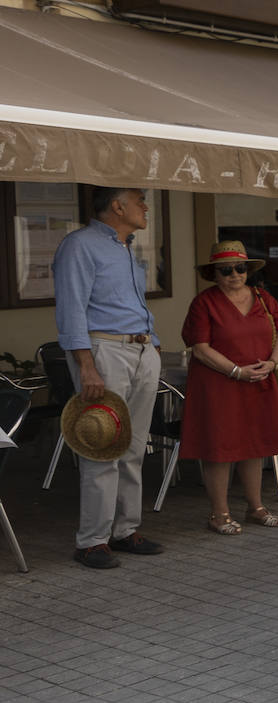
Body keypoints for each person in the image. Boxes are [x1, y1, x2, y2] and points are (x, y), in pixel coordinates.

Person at [52, 187, 164, 569]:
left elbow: (131, 301)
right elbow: (71, 308)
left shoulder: (125, 246)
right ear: (118, 207)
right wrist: (85, 364)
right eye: (139, 201)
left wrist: (155, 343)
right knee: (102, 443)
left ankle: (125, 530)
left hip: (141, 347)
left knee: (133, 446)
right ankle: (92, 541)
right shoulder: (79, 245)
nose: (145, 206)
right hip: (104, 350)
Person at [180, 241, 278, 535]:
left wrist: (272, 362)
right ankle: (219, 513)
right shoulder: (204, 303)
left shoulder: (264, 298)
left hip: (258, 378)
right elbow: (200, 348)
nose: (234, 274)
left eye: (240, 268)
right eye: (226, 270)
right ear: (214, 274)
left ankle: (255, 507)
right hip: (219, 383)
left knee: (255, 445)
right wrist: (235, 371)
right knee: (220, 448)